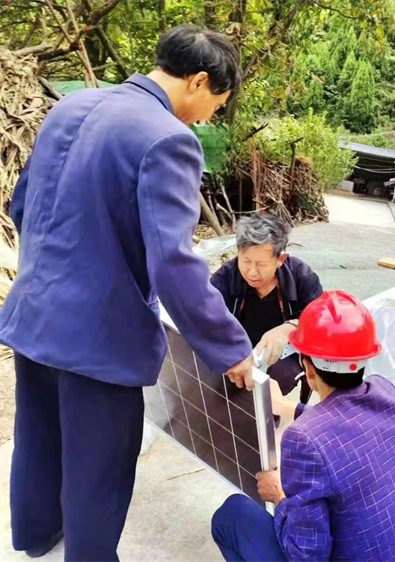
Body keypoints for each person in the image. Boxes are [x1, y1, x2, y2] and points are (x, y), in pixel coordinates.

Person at [0, 25, 257, 561]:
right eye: (215, 103)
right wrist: (230, 349)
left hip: (32, 314)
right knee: (98, 468)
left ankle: (35, 536)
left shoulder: (70, 108)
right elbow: (174, 264)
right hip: (100, 339)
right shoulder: (168, 138)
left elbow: (20, 205)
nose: (207, 118)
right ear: (199, 80)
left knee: (39, 436)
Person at [211, 291, 395, 562]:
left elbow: (306, 555)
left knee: (232, 514)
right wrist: (289, 408)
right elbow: (348, 420)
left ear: (307, 368)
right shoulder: (385, 392)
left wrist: (279, 497)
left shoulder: (304, 440)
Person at [210, 213, 322, 402]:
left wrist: (290, 327)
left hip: (286, 353)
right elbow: (207, 318)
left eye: (261, 264)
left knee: (274, 383)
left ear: (280, 259)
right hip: (238, 346)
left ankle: (269, 419)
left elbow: (322, 320)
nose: (252, 272)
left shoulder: (302, 277)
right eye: (246, 261)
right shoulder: (227, 276)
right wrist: (235, 353)